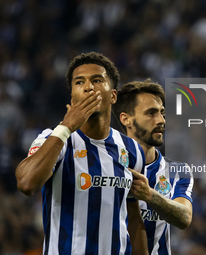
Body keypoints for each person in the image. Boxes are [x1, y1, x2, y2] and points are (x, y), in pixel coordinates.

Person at [15, 52, 148, 255]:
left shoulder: (132, 150)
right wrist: (66, 127)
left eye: (97, 80)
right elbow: (26, 183)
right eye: (79, 82)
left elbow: (134, 219)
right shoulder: (53, 140)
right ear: (72, 97)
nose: (88, 87)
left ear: (113, 96)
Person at [112, 79, 193, 255]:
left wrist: (150, 195)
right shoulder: (109, 165)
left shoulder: (178, 171)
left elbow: (185, 217)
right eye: (151, 113)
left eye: (162, 113)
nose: (161, 120)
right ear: (126, 119)